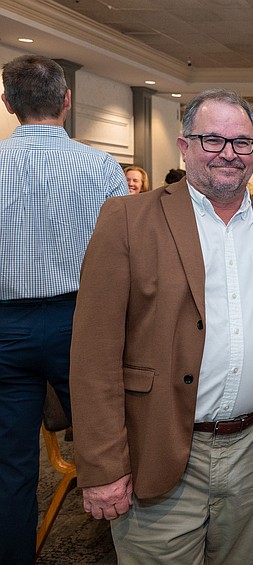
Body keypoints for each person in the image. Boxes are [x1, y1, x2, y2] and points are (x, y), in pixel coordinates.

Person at [69, 89, 253, 563]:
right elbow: (93, 355)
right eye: (212, 140)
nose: (228, 154)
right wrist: (102, 466)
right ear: (184, 145)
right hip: (159, 446)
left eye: (242, 143)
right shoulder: (129, 220)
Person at [0, 54, 127, 564]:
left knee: (11, 466)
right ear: (67, 101)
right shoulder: (100, 166)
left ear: (8, 104)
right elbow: (127, 259)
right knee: (111, 451)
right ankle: (136, 551)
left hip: (5, 327)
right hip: (82, 322)